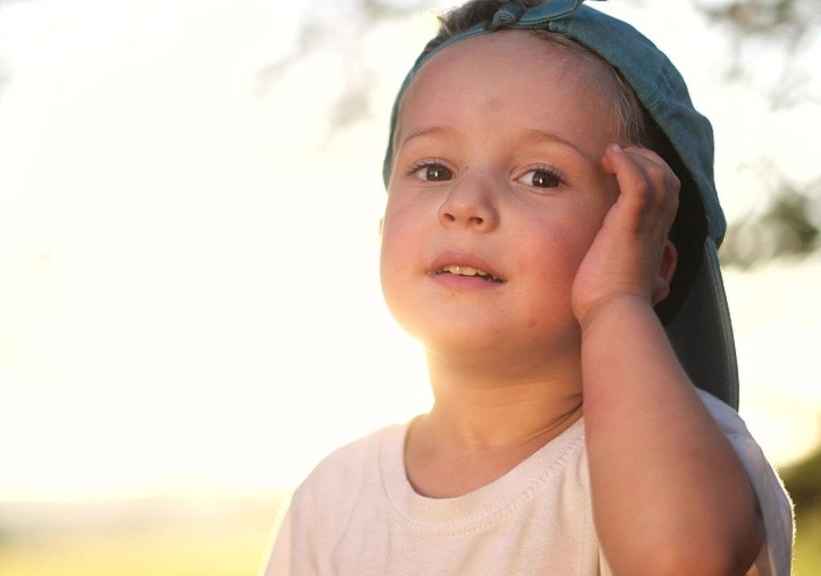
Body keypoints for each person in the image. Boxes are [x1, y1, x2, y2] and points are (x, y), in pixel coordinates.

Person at [262, 0, 794, 574]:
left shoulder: (688, 451)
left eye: (541, 176)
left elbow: (679, 559)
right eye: (434, 169)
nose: (464, 204)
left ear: (644, 258)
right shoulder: (332, 498)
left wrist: (616, 301)